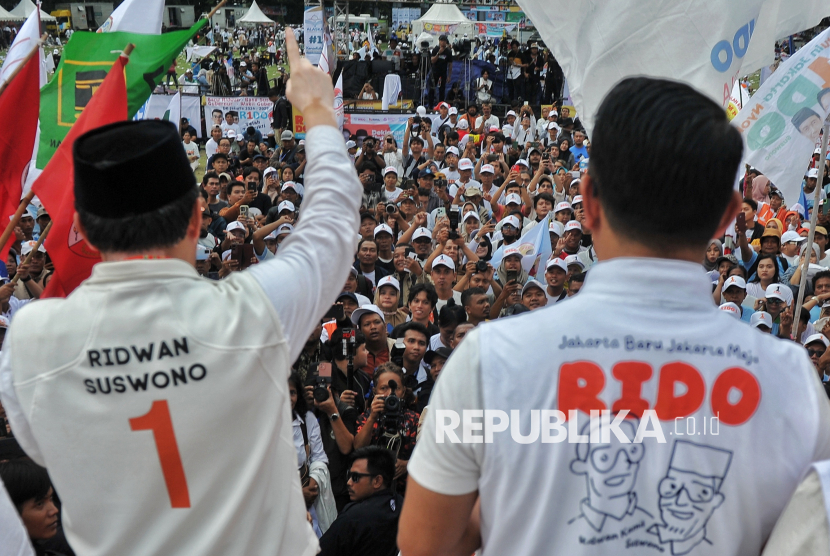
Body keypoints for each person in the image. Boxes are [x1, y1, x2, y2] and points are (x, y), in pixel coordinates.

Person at [400, 77, 830, 556]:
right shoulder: (792, 383)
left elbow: (424, 544)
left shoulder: (488, 360)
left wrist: (512, 499)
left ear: (587, 200)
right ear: (729, 214)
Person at [0, 29, 362, 556]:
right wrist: (315, 108)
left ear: (86, 230)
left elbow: (42, 442)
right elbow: (331, 229)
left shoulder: (32, 338)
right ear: (197, 217)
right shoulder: (249, 312)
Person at [318, 446, 402, 556]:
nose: (349, 482)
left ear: (377, 481)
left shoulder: (353, 517)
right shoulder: (402, 505)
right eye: (349, 475)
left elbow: (320, 551)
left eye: (355, 477)